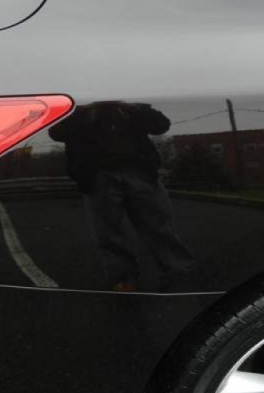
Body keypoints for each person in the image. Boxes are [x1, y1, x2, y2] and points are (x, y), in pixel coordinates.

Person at [49, 101, 195, 291]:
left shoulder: (130, 106)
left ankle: (178, 269)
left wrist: (134, 107)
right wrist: (83, 111)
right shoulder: (78, 109)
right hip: (97, 175)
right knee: (108, 232)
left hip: (140, 171)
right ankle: (122, 277)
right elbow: (56, 133)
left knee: (159, 225)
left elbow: (160, 126)